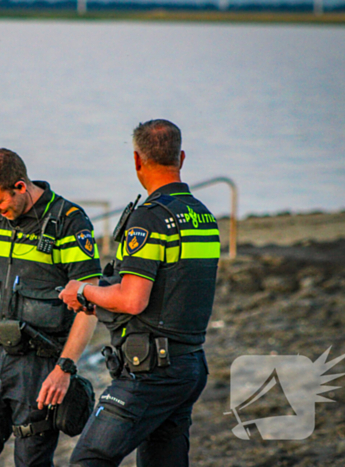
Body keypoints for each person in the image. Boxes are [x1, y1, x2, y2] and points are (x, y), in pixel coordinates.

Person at [59, 120, 220, 467]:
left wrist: (84, 290)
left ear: (137, 160)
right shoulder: (204, 217)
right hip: (189, 364)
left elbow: (133, 299)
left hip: (150, 372)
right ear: (181, 157)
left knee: (90, 458)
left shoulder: (150, 218)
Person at [0, 148, 102, 467]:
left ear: (20, 186)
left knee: (31, 462)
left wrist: (64, 369)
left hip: (40, 369)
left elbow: (90, 305)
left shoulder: (68, 221)